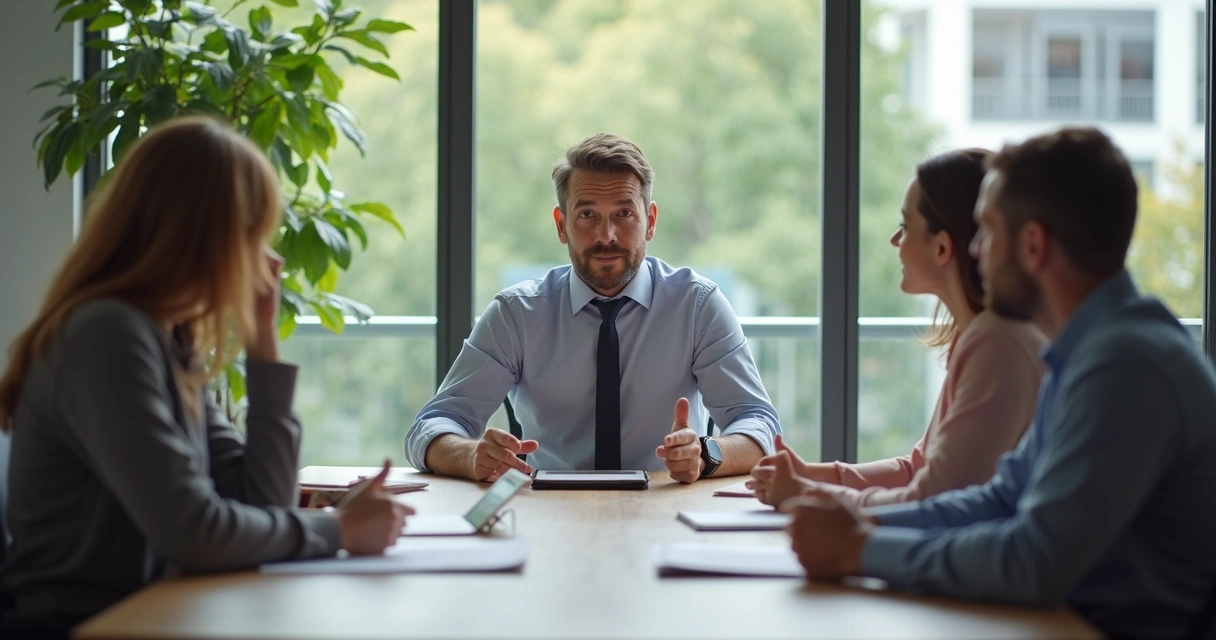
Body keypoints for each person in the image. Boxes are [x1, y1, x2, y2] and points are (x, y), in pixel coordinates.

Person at [783, 127, 1216, 639]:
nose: (974, 249)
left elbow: (1034, 560)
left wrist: (859, 549)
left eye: (985, 230)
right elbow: (999, 498)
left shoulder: (1126, 365)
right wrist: (861, 527)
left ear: (1032, 245)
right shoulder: (1088, 353)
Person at [0, 117, 410, 631]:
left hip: (155, 612)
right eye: (254, 236)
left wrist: (264, 343)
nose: (270, 260)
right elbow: (193, 532)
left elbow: (259, 499)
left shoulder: (166, 339)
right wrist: (338, 530)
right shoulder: (107, 335)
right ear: (206, 238)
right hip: (87, 624)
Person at [406, 133, 780, 483]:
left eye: (624, 214)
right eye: (587, 215)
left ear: (649, 221)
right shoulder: (517, 314)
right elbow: (433, 426)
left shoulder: (697, 306)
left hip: (665, 508)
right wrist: (471, 456)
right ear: (561, 225)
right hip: (549, 512)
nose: (606, 236)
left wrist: (706, 455)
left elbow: (758, 422)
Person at [748, 150, 1044, 509]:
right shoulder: (977, 335)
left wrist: (808, 494)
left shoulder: (996, 344)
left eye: (905, 227)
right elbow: (918, 468)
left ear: (941, 246)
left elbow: (931, 501)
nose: (894, 240)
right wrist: (811, 473)